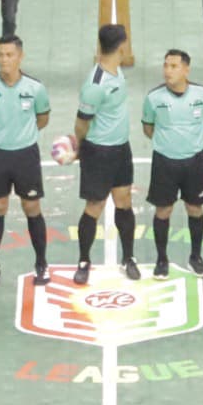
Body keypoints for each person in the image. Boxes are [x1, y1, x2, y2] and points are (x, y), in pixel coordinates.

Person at [0, 35, 52, 288]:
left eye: (9, 55)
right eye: (1, 55)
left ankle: (41, 263)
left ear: (20, 56)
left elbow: (42, 118)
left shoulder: (35, 88)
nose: (4, 60)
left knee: (32, 207)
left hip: (26, 154)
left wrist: (21, 136)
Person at [141, 48, 203, 277]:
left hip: (194, 161)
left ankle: (196, 258)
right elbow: (148, 128)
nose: (168, 71)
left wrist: (192, 142)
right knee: (163, 210)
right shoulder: (153, 98)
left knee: (195, 208)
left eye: (174, 66)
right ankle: (161, 259)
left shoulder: (202, 95)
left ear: (186, 70)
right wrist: (169, 143)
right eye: (166, 65)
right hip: (164, 162)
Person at [72, 22, 139, 284]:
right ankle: (83, 261)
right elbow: (81, 123)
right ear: (122, 46)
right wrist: (79, 147)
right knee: (95, 206)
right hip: (98, 152)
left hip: (121, 148)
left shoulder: (117, 70)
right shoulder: (95, 85)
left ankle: (129, 257)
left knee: (124, 202)